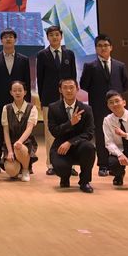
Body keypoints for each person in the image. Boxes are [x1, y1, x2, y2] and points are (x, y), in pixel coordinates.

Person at [81, 34, 128, 176]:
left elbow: (127, 84)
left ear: (111, 47)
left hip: (117, 108)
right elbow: (84, 84)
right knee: (101, 135)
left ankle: (117, 164)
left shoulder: (120, 66)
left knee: (118, 134)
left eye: (105, 45)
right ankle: (103, 165)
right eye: (99, 46)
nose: (103, 48)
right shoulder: (90, 66)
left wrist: (116, 97)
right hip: (98, 106)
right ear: (96, 48)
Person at [0, 28, 31, 173]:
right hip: (0, 101)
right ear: (1, 40)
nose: (8, 39)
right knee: (0, 130)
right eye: (5, 37)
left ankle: (26, 163)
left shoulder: (24, 59)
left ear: (15, 40)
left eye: (11, 37)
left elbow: (27, 82)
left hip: (19, 101)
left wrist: (27, 102)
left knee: (21, 129)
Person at [36, 25, 77, 175]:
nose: (54, 37)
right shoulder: (42, 55)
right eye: (51, 35)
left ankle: (71, 165)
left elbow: (73, 77)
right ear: (47, 38)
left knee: (70, 131)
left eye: (57, 34)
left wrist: (73, 96)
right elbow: (40, 79)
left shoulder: (69, 54)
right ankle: (51, 164)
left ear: (61, 36)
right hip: (49, 99)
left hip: (68, 99)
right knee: (49, 133)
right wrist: (42, 100)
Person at [47, 77, 95, 193]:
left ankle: (84, 182)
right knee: (61, 168)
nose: (68, 90)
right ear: (60, 90)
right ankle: (64, 177)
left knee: (89, 147)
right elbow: (54, 131)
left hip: (80, 146)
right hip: (60, 146)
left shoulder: (86, 109)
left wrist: (70, 142)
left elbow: (89, 133)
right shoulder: (53, 108)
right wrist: (70, 123)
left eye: (71, 87)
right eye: (65, 88)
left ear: (77, 89)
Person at [1, 80, 38, 182]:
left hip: (26, 143)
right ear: (11, 92)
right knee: (12, 171)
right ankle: (19, 167)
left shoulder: (32, 108)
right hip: (11, 143)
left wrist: (20, 142)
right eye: (14, 90)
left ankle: (25, 169)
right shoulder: (6, 108)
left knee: (19, 148)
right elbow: (6, 132)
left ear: (25, 92)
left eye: (20, 90)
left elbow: (29, 128)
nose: (17, 93)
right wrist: (9, 151)